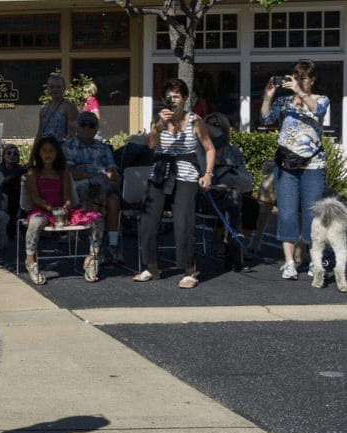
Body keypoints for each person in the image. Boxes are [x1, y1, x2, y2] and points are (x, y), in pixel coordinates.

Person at [134, 78, 215, 289]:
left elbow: (209, 148)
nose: (173, 100)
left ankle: (189, 269)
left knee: (184, 222)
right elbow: (151, 146)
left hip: (186, 173)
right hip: (160, 171)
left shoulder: (195, 120)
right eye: (169, 96)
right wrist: (159, 125)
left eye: (177, 96)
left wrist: (208, 173)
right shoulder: (158, 120)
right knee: (148, 220)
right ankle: (151, 266)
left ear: (185, 99)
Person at [260, 59, 329, 281]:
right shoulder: (283, 102)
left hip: (313, 164)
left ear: (313, 79)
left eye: (303, 77)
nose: (299, 81)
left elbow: (318, 110)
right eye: (296, 76)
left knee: (312, 213)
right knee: (287, 212)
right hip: (286, 164)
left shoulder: (320, 99)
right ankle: (289, 262)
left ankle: (313, 259)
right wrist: (269, 96)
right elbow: (265, 118)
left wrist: (301, 92)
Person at [22, 136, 103, 285]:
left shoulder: (63, 172)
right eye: (44, 151)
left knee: (96, 218)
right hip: (43, 210)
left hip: (60, 211)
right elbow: (35, 198)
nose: (48, 154)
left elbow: (67, 196)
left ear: (57, 153)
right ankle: (30, 259)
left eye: (51, 151)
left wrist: (65, 207)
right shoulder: (32, 173)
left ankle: (93, 258)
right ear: (38, 153)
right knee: (35, 223)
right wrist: (51, 209)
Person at [64, 111, 123, 263]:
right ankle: (96, 248)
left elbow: (112, 169)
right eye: (83, 124)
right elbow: (70, 173)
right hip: (80, 189)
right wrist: (95, 176)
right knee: (93, 196)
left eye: (91, 125)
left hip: (103, 186)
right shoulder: (68, 147)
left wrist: (112, 173)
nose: (87, 128)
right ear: (77, 127)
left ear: (96, 129)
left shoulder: (103, 148)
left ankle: (112, 245)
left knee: (114, 201)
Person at [203, 112, 256, 271]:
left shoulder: (233, 151)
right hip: (209, 192)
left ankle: (240, 244)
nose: (213, 128)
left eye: (217, 125)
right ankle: (221, 244)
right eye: (210, 124)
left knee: (252, 205)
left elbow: (244, 176)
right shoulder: (202, 149)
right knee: (225, 201)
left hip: (234, 189)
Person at [0, 143, 26, 239]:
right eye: (9, 153)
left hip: (16, 198)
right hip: (2, 198)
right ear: (4, 155)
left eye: (15, 154)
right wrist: (16, 174)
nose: (12, 156)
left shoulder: (20, 169)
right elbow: (2, 182)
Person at [36, 73, 79, 142]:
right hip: (45, 148)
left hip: (62, 148)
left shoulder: (69, 107)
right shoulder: (44, 110)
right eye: (52, 87)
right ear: (48, 89)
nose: (55, 89)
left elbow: (72, 133)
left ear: (64, 88)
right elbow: (39, 133)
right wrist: (34, 151)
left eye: (58, 87)